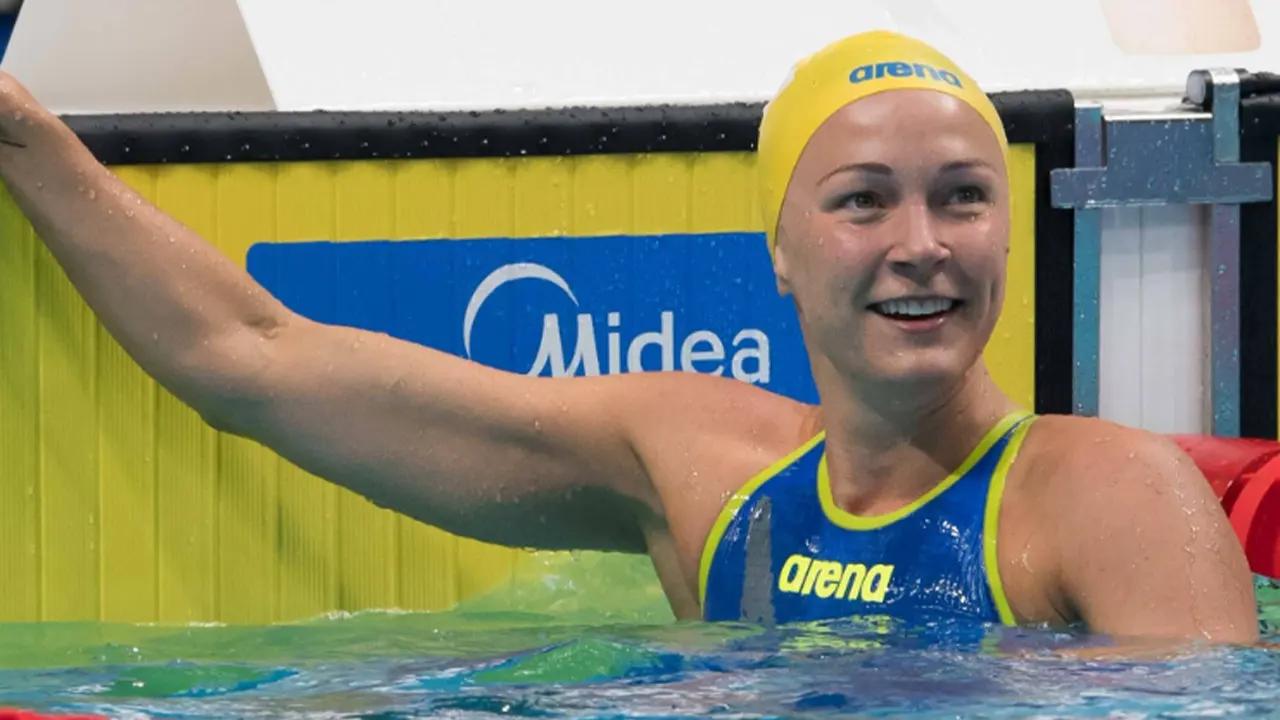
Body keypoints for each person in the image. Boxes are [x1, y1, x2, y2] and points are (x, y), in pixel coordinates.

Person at [0, 30, 1258, 641]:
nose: (918, 242)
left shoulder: (1107, 499)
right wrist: (23, 138)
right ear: (779, 247)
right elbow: (256, 360)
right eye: (861, 201)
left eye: (962, 196)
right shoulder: (699, 471)